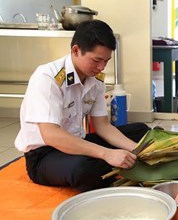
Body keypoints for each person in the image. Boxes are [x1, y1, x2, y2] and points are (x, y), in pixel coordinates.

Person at [15, 20, 150, 192]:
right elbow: (51, 135)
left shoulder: (95, 79)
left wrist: (137, 150)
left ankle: (119, 164)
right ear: (76, 50)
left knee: (141, 131)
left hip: (78, 143)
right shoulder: (48, 78)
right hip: (45, 155)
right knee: (83, 169)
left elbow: (103, 126)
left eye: (106, 61)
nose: (101, 67)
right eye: (96, 60)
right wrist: (107, 154)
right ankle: (113, 166)